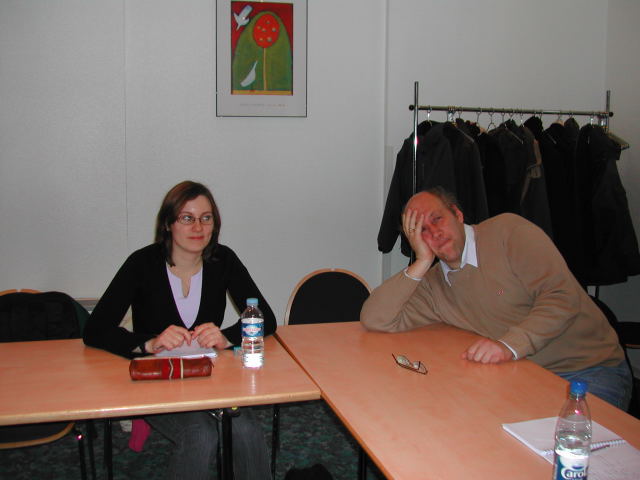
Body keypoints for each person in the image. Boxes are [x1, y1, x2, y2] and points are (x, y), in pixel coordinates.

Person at [361, 186, 632, 410]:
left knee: (568, 453)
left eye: (437, 219)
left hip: (586, 371)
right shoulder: (435, 283)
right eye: (421, 230)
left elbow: (562, 296)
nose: (434, 233)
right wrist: (421, 261)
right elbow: (376, 319)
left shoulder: (508, 232)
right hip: (519, 373)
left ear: (457, 214)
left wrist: (508, 346)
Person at [83, 180, 275, 480]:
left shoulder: (223, 260)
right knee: (200, 434)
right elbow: (95, 330)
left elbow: (265, 318)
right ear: (168, 224)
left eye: (206, 218)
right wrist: (148, 343)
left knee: (246, 430)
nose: (198, 227)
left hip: (208, 376)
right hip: (158, 378)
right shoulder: (141, 263)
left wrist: (226, 337)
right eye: (187, 218)